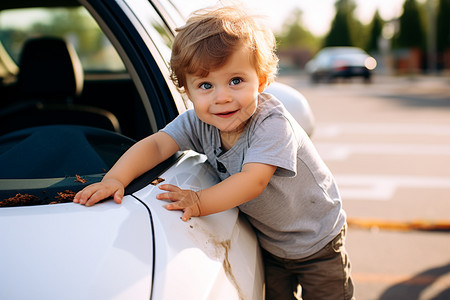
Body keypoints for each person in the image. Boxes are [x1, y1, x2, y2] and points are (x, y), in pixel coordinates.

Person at [73, 5, 354, 300]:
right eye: (206, 85)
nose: (222, 97)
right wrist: (115, 179)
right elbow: (157, 145)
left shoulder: (271, 124)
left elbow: (253, 181)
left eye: (236, 81)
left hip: (318, 240)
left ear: (261, 80)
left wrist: (198, 200)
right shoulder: (197, 122)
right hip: (271, 244)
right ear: (188, 92)